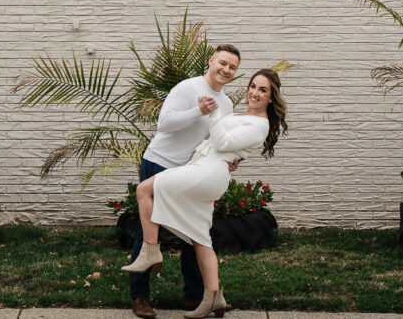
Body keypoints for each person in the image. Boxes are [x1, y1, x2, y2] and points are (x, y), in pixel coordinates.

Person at [122, 69, 289, 319]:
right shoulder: (240, 114)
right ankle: (214, 298)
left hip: (207, 172)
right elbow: (223, 141)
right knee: (200, 238)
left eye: (262, 90)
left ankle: (151, 250)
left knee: (144, 189)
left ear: (271, 97)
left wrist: (213, 116)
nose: (254, 92)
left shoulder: (259, 124)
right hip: (204, 168)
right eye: (253, 86)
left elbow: (221, 142)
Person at [127, 44, 242, 319]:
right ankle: (139, 297)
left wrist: (230, 158)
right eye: (223, 63)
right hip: (159, 162)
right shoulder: (187, 88)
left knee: (195, 233)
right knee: (149, 231)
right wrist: (197, 111)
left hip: (190, 172)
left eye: (232, 67)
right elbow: (164, 124)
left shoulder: (227, 104)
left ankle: (194, 297)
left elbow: (217, 140)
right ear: (211, 61)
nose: (226, 70)